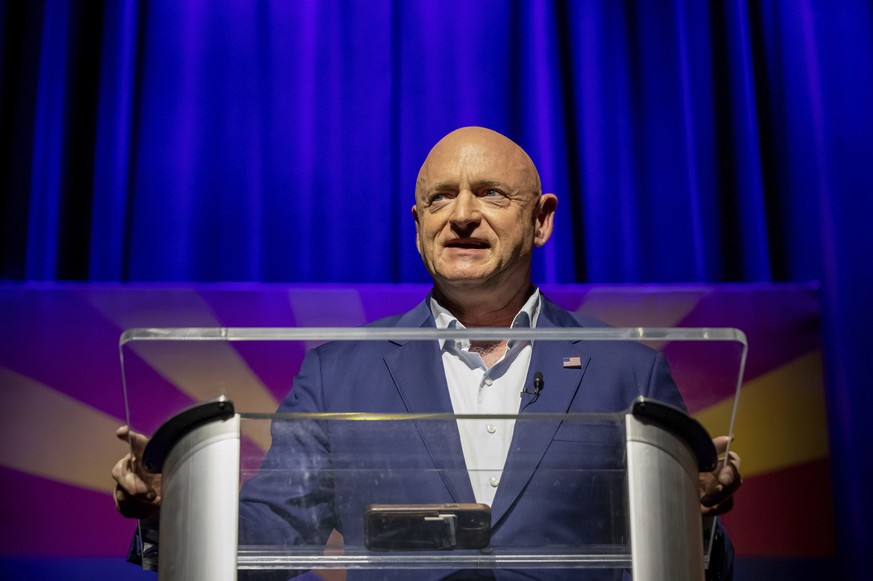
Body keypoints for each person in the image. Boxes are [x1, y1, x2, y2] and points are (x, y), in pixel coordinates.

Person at [113, 127, 741, 580]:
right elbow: (268, 540)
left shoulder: (628, 369)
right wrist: (174, 509)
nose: (461, 216)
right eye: (440, 199)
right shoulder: (338, 374)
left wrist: (700, 518)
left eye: (491, 194)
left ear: (542, 220)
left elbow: (692, 562)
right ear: (417, 225)